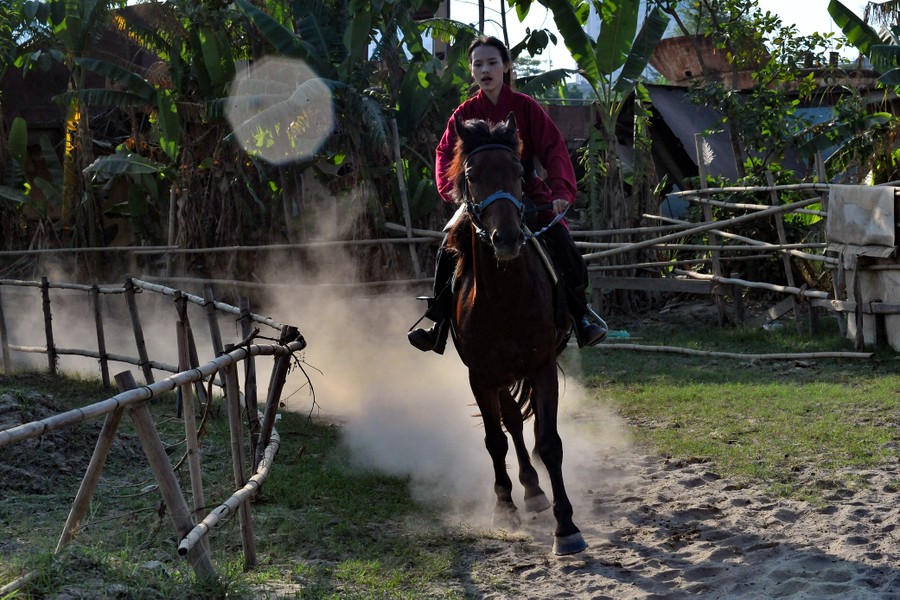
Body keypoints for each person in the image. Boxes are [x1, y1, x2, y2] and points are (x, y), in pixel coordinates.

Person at [408, 35, 607, 354]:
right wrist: (452, 190)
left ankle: (581, 317)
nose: (484, 70)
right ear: (471, 70)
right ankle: (440, 324)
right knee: (447, 249)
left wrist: (559, 190)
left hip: (527, 192)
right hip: (480, 200)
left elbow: (554, 148)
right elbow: (445, 151)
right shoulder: (465, 112)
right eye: (477, 64)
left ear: (506, 66)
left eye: (491, 63)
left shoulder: (526, 107)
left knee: (564, 245)